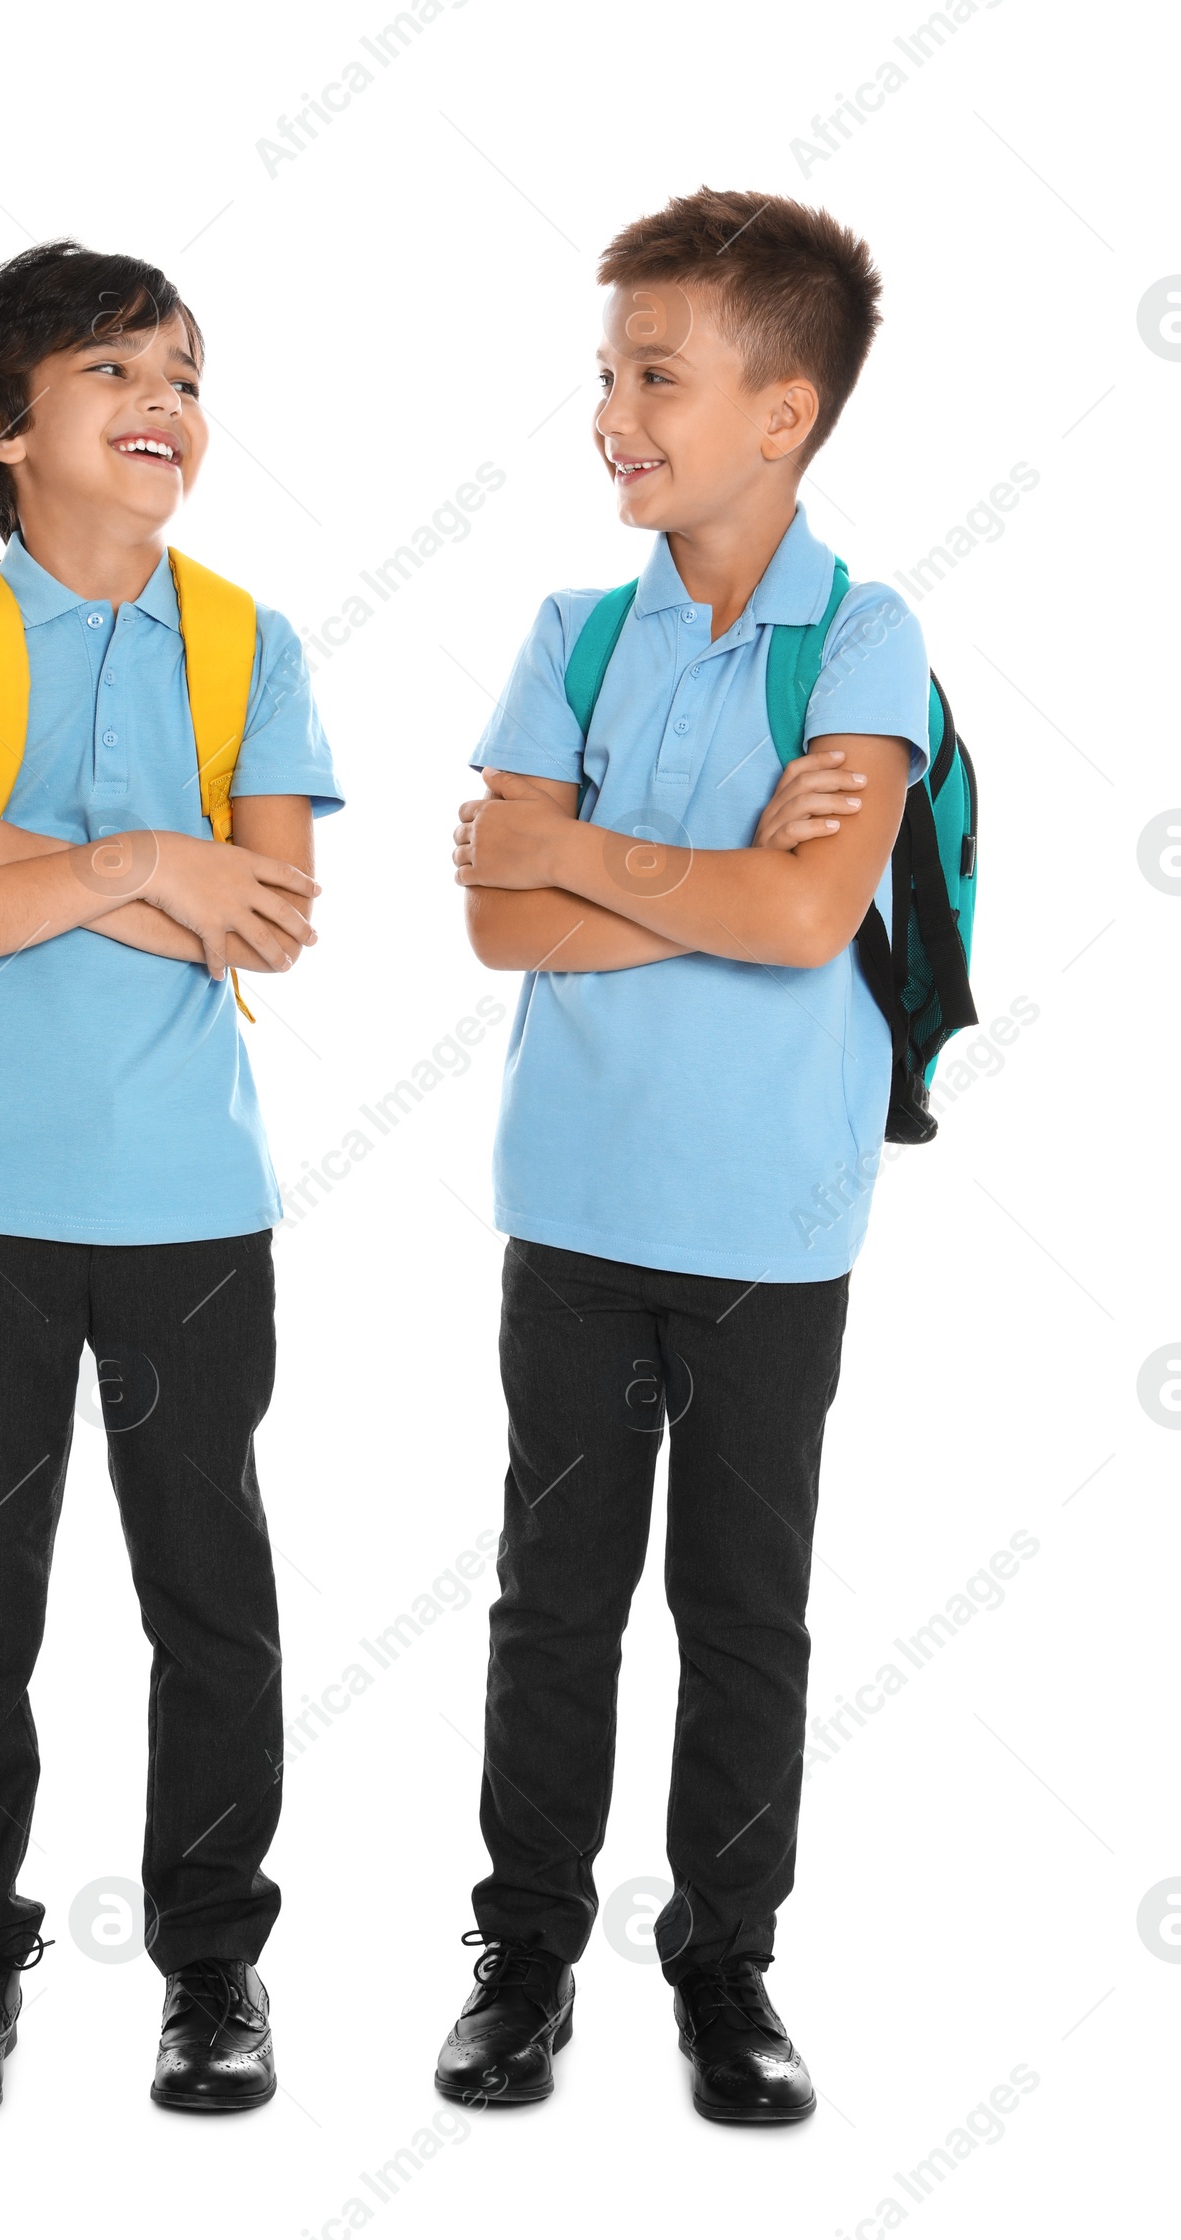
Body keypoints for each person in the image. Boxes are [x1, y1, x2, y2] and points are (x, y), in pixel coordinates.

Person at [437, 189, 930, 2123]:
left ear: (783, 411)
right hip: (570, 1205)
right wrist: (723, 880)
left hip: (769, 1225)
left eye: (658, 374)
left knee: (743, 1604)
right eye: (610, 375)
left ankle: (726, 1968)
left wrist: (589, 860)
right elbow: (492, 920)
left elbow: (819, 925)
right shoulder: (575, 628)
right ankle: (524, 1952)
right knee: (553, 1595)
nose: (615, 413)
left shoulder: (865, 634)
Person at [0, 241, 343, 2117]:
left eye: (188, 371)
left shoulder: (250, 641)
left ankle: (213, 1967)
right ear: (0, 428)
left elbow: (276, 918)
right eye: (115, 368)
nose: (167, 399)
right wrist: (156, 865)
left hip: (196, 1209)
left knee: (208, 1591)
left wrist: (31, 860)